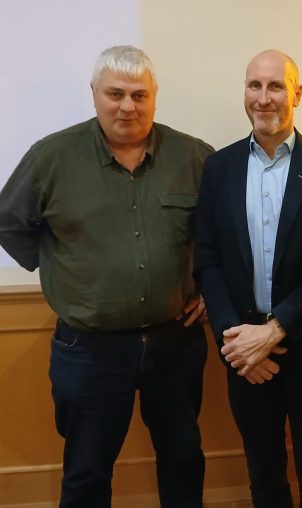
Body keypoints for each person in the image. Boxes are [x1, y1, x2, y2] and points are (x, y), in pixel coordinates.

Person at [0, 45, 213, 507]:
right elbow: (8, 222)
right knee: (87, 470)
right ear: (94, 94)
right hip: (88, 349)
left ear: (155, 96)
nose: (127, 106)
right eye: (114, 93)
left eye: (139, 94)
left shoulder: (194, 157)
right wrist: (64, 267)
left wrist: (210, 290)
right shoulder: (51, 157)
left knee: (183, 459)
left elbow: (221, 234)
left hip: (174, 342)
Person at [194, 49, 302, 508]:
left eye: (276, 86)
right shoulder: (218, 169)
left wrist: (276, 329)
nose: (264, 98)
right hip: (243, 351)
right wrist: (236, 345)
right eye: (254, 86)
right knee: (262, 473)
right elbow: (208, 263)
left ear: (296, 94)